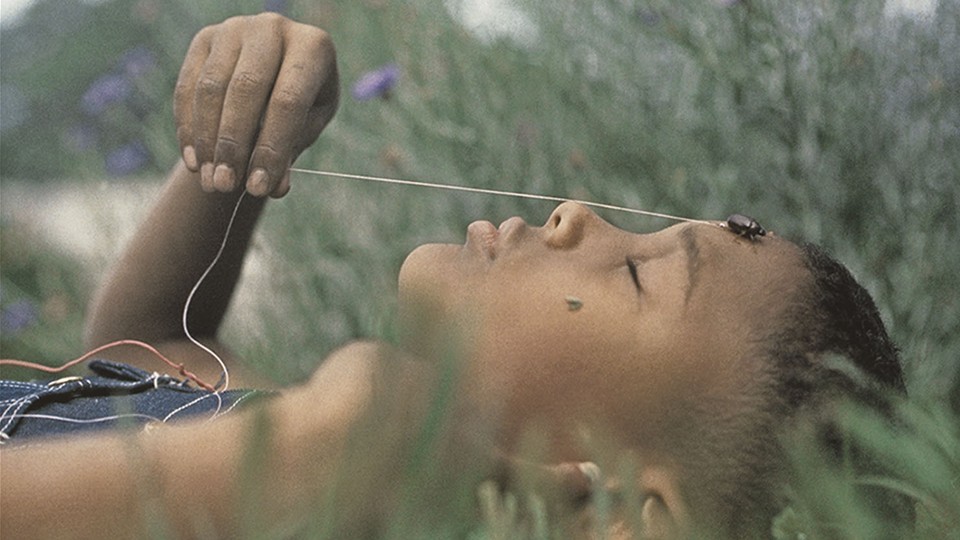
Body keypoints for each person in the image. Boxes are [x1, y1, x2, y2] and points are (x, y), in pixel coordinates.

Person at [0, 13, 908, 539]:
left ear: (626, 514)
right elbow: (145, 344)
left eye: (637, 275)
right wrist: (229, 162)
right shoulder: (338, 456)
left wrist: (263, 475)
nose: (578, 212)